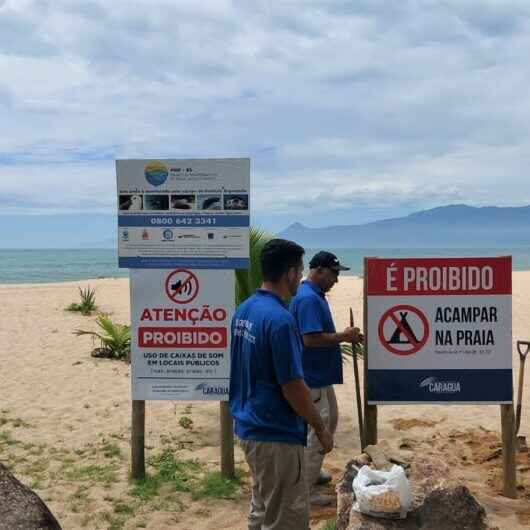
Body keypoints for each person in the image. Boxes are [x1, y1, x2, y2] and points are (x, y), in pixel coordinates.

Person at [229, 239, 334, 530]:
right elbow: (293, 388)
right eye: (299, 270)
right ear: (289, 273)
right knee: (285, 519)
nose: (301, 277)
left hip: (249, 428)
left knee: (262, 509)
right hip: (276, 434)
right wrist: (321, 428)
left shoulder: (245, 310)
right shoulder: (280, 320)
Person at [290, 251, 362, 506]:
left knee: (330, 420)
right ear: (318, 270)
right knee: (316, 431)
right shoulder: (309, 298)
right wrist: (344, 336)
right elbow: (310, 339)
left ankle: (313, 469)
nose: (337, 280)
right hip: (312, 375)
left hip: (320, 375)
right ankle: (305, 491)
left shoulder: (313, 294)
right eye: (334, 273)